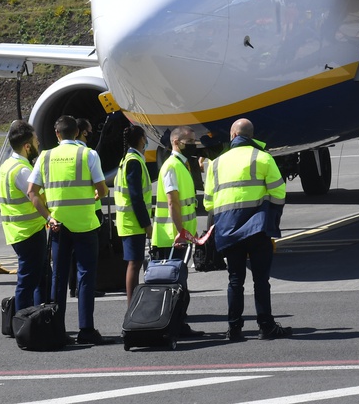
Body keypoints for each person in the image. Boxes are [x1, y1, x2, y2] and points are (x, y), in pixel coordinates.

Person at [204, 118, 290, 342]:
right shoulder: (262, 158)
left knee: (235, 280)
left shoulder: (216, 163)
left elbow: (208, 204)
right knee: (261, 280)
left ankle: (234, 329)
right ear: (251, 136)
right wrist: (269, 215)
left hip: (229, 231)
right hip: (257, 228)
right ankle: (266, 326)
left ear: (232, 135)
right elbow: (279, 192)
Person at [27, 115, 110, 345]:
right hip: (85, 224)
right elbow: (102, 189)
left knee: (58, 277)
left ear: (57, 134)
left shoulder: (45, 156)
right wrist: (96, 194)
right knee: (85, 276)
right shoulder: (88, 154)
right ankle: (86, 329)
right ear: (77, 133)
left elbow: (32, 192)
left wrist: (48, 217)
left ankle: (57, 329)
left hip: (58, 226)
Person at [0, 122, 47, 309]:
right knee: (28, 281)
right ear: (27, 146)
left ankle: (37, 318)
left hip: (18, 231)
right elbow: (37, 196)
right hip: (29, 232)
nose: (39, 143)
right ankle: (24, 323)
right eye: (35, 141)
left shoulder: (8, 165)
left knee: (40, 276)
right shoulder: (23, 170)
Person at [114, 124, 152, 305]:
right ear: (141, 139)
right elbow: (136, 197)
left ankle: (133, 304)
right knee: (134, 263)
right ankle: (132, 305)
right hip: (133, 222)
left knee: (135, 262)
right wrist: (147, 224)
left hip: (128, 221)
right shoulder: (133, 161)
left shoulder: (128, 159)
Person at [153, 126, 198, 261]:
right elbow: (172, 202)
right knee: (173, 278)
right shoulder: (172, 166)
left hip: (182, 235)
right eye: (189, 141)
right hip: (172, 237)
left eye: (194, 141)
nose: (192, 145)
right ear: (176, 142)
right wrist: (180, 231)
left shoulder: (181, 165)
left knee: (180, 278)